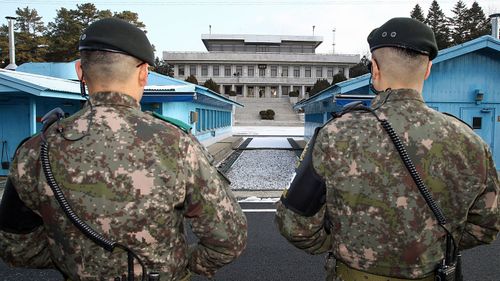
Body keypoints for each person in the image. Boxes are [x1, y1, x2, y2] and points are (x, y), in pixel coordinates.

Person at [0, 18, 247, 281]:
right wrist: (181, 264)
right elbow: (228, 239)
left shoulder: (36, 150)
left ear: (80, 71)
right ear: (143, 73)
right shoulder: (176, 144)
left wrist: (72, 259)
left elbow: (15, 246)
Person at [276, 17, 499, 280]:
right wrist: (429, 247)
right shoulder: (469, 142)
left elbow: (295, 225)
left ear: (374, 68)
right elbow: (485, 226)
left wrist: (341, 246)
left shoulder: (335, 135)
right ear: (428, 69)